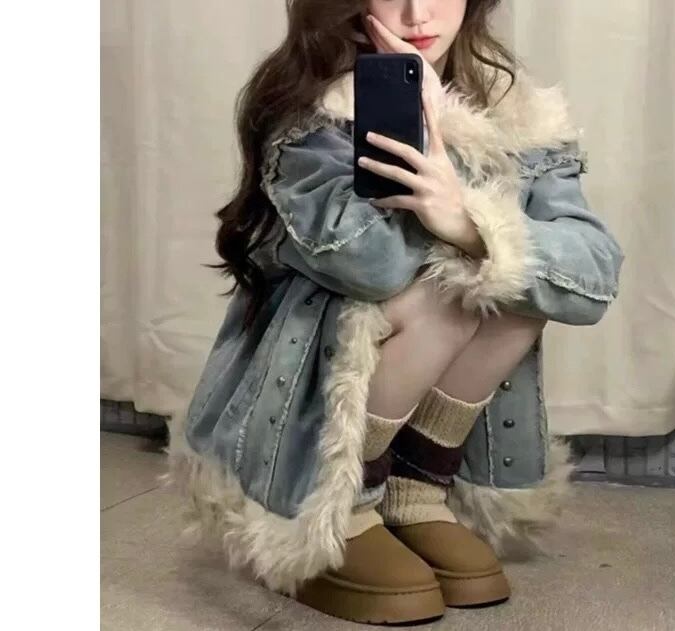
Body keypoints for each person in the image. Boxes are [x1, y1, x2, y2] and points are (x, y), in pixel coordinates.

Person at [165, 0, 624, 625]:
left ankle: (413, 489)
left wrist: (465, 218)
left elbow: (591, 277)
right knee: (440, 297)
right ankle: (345, 502)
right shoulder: (317, 109)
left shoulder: (518, 112)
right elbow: (372, 265)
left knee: (515, 292)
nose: (417, 13)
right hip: (309, 386)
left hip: (409, 373)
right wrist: (424, 134)